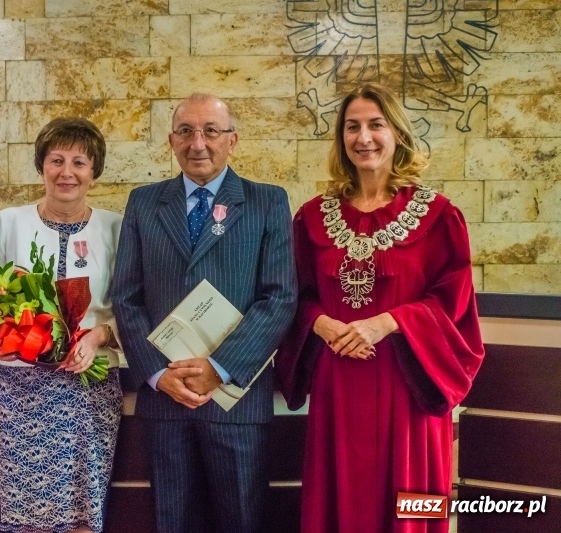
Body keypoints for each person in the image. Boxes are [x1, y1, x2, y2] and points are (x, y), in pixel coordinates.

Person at [275, 82, 485, 533]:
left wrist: (385, 323)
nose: (363, 137)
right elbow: (294, 295)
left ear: (398, 135)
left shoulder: (440, 216)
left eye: (376, 125)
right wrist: (323, 324)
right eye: (352, 127)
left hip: (408, 383)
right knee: (338, 497)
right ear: (341, 139)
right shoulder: (311, 217)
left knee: (410, 504)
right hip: (338, 383)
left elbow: (454, 303)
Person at [112, 93, 296, 533]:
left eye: (211, 131)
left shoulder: (267, 201)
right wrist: (159, 374)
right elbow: (126, 298)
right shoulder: (143, 203)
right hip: (166, 402)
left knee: (241, 522)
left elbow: (280, 297)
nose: (198, 143)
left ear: (232, 140)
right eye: (186, 132)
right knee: (172, 523)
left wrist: (219, 367)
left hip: (235, 403)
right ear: (171, 142)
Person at [0, 117, 123, 533]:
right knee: (28, 512)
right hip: (23, 388)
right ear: (41, 166)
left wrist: (99, 337)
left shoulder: (115, 227)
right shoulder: (11, 222)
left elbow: (131, 307)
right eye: (56, 160)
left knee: (84, 505)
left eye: (79, 162)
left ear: (94, 173)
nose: (67, 172)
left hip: (90, 386)